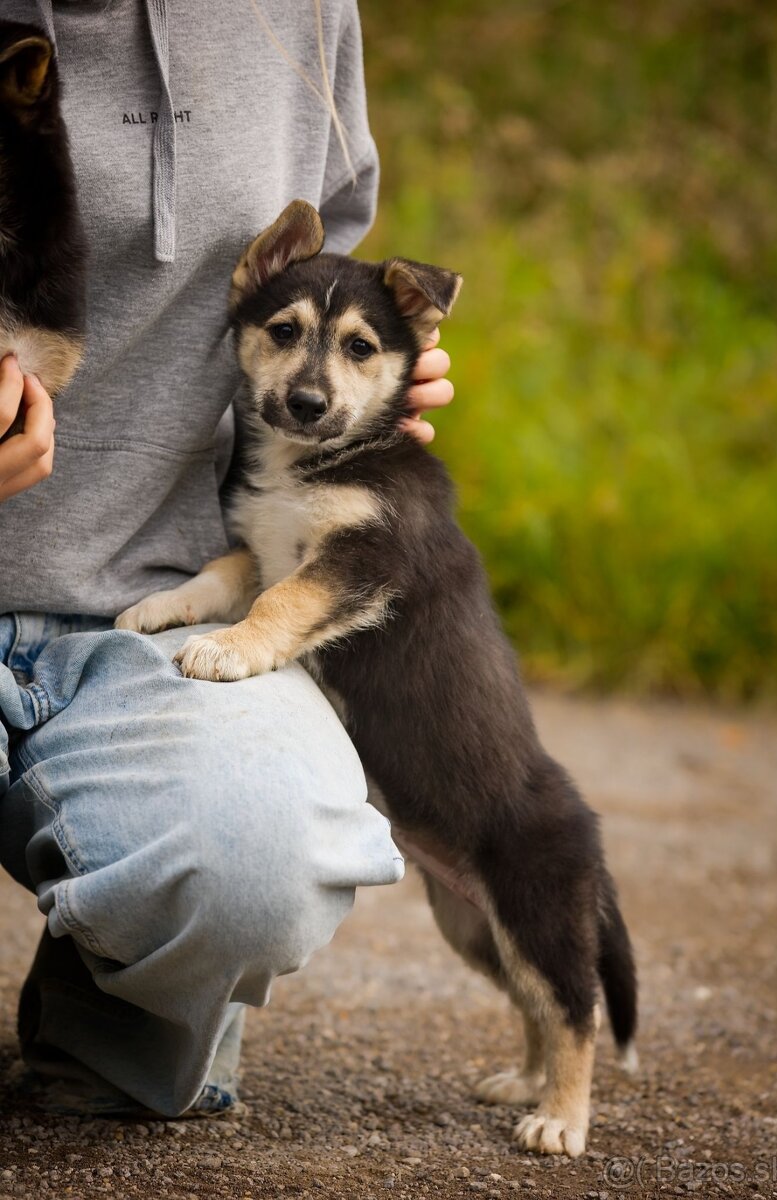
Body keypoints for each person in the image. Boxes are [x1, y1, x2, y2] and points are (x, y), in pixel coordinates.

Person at [0, 0, 454, 1117]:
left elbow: (341, 268)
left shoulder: (297, 12)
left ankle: (121, 1030)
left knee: (262, 867)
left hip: (165, 590)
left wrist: (376, 379)